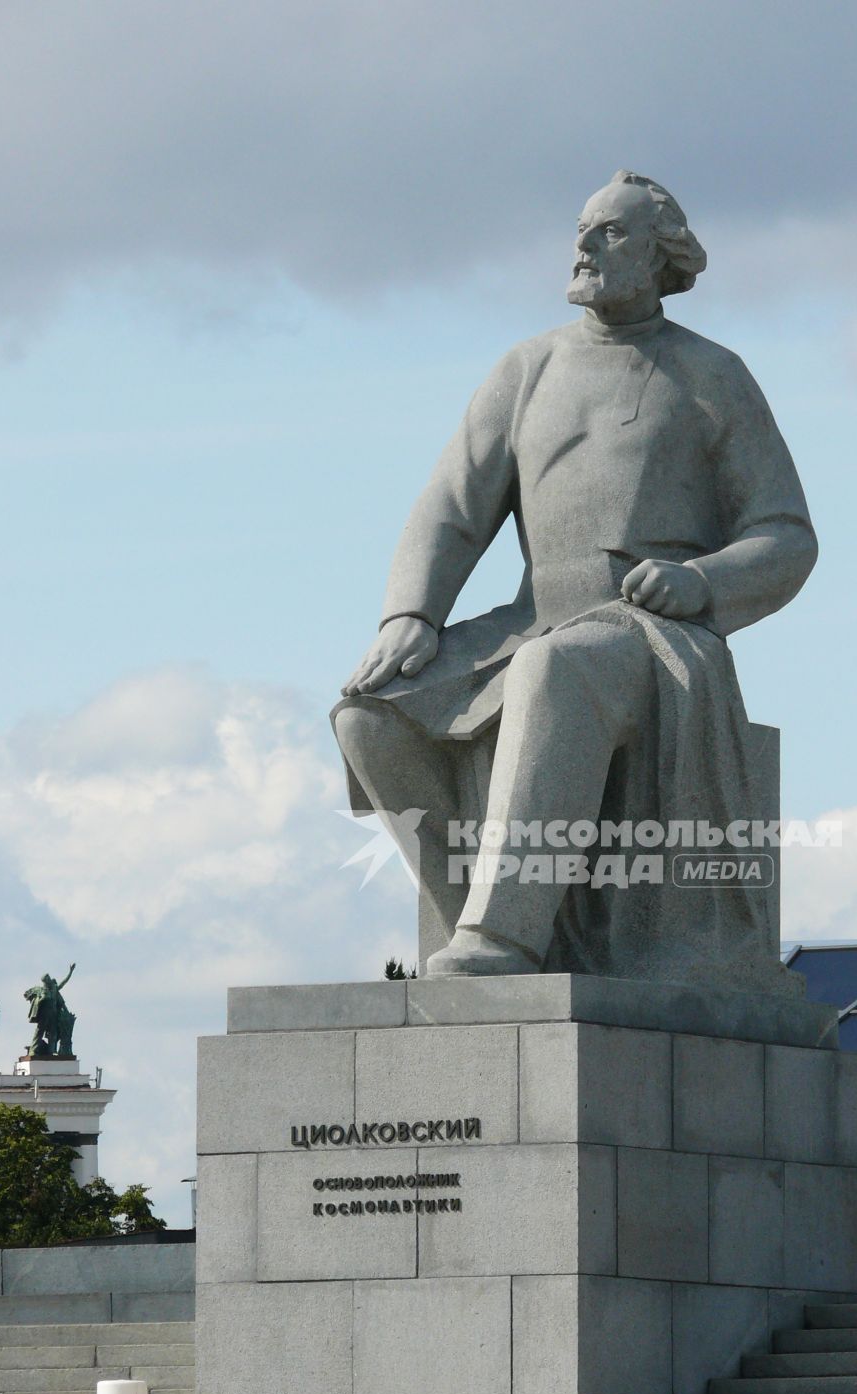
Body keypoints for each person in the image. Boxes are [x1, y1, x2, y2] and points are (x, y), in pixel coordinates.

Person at [334, 173, 817, 983]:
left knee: (553, 670)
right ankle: (496, 928)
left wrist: (702, 582)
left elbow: (786, 536)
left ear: (661, 256)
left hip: (652, 636)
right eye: (582, 229)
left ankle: (502, 938)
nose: (584, 246)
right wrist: (409, 615)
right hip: (531, 619)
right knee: (368, 716)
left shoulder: (712, 375)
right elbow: (451, 507)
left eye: (611, 234)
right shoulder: (527, 369)